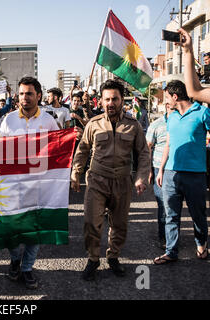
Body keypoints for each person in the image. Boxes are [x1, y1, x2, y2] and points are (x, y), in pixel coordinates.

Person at [71, 79, 150, 281]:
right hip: (97, 180)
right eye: (107, 99)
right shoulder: (94, 124)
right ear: (102, 101)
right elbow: (83, 150)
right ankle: (93, 258)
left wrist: (141, 177)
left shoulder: (133, 126)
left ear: (122, 100)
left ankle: (113, 256)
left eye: (115, 99)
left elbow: (143, 153)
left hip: (122, 181)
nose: (110, 103)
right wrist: (76, 173)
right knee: (91, 222)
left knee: (119, 224)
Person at [0, 77, 59, 289]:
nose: (25, 97)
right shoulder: (8, 120)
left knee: (34, 231)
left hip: (40, 187)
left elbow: (57, 151)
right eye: (22, 93)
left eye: (29, 93)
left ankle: (27, 268)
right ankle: (15, 259)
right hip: (12, 187)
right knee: (11, 230)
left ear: (39, 96)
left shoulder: (50, 121)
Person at [154, 80, 210, 264]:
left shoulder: (203, 112)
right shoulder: (172, 116)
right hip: (170, 174)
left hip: (195, 175)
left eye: (167, 98)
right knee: (171, 215)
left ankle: (201, 244)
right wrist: (160, 170)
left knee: (198, 215)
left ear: (175, 97)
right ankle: (171, 251)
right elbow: (168, 143)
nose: (166, 102)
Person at [146, 103, 173, 249]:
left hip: (177, 169)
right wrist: (149, 170)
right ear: (167, 106)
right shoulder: (156, 125)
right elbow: (147, 148)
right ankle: (164, 237)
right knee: (163, 205)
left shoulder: (181, 123)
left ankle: (173, 236)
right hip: (159, 169)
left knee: (173, 206)